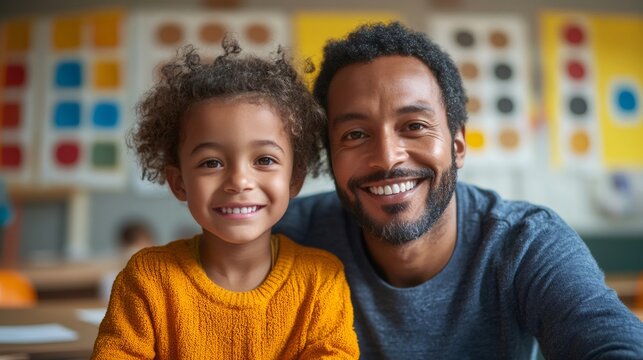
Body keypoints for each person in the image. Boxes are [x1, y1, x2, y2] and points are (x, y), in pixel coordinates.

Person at [275, 22, 643, 359]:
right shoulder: (287, 238)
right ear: (330, 155)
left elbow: (611, 341)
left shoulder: (525, 241)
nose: (387, 157)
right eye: (355, 134)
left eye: (414, 125)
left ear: (458, 144)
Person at [92, 37, 359, 359]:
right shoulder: (148, 279)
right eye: (211, 163)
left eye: (264, 160)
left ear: (294, 179)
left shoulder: (321, 280)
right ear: (179, 183)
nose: (239, 181)